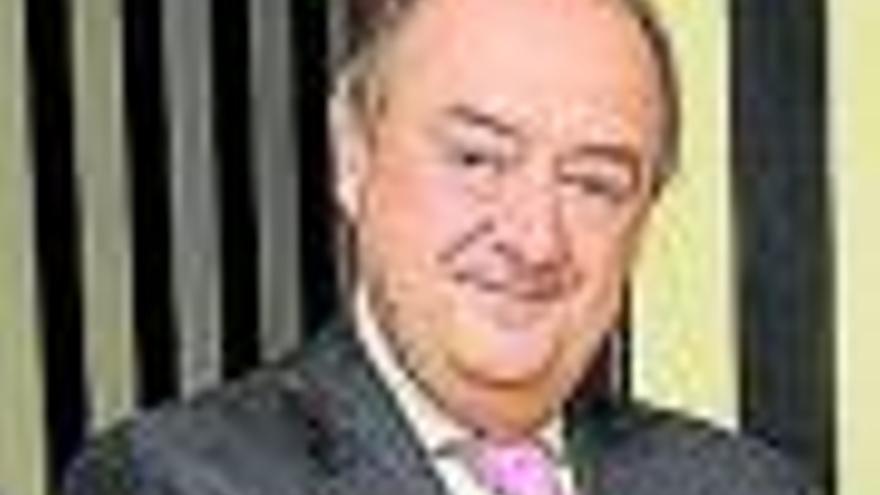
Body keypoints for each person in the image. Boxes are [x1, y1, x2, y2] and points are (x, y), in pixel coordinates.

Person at [66, 0, 821, 494]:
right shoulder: (172, 479)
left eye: (594, 184)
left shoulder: (749, 486)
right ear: (354, 155)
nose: (534, 239)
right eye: (476, 158)